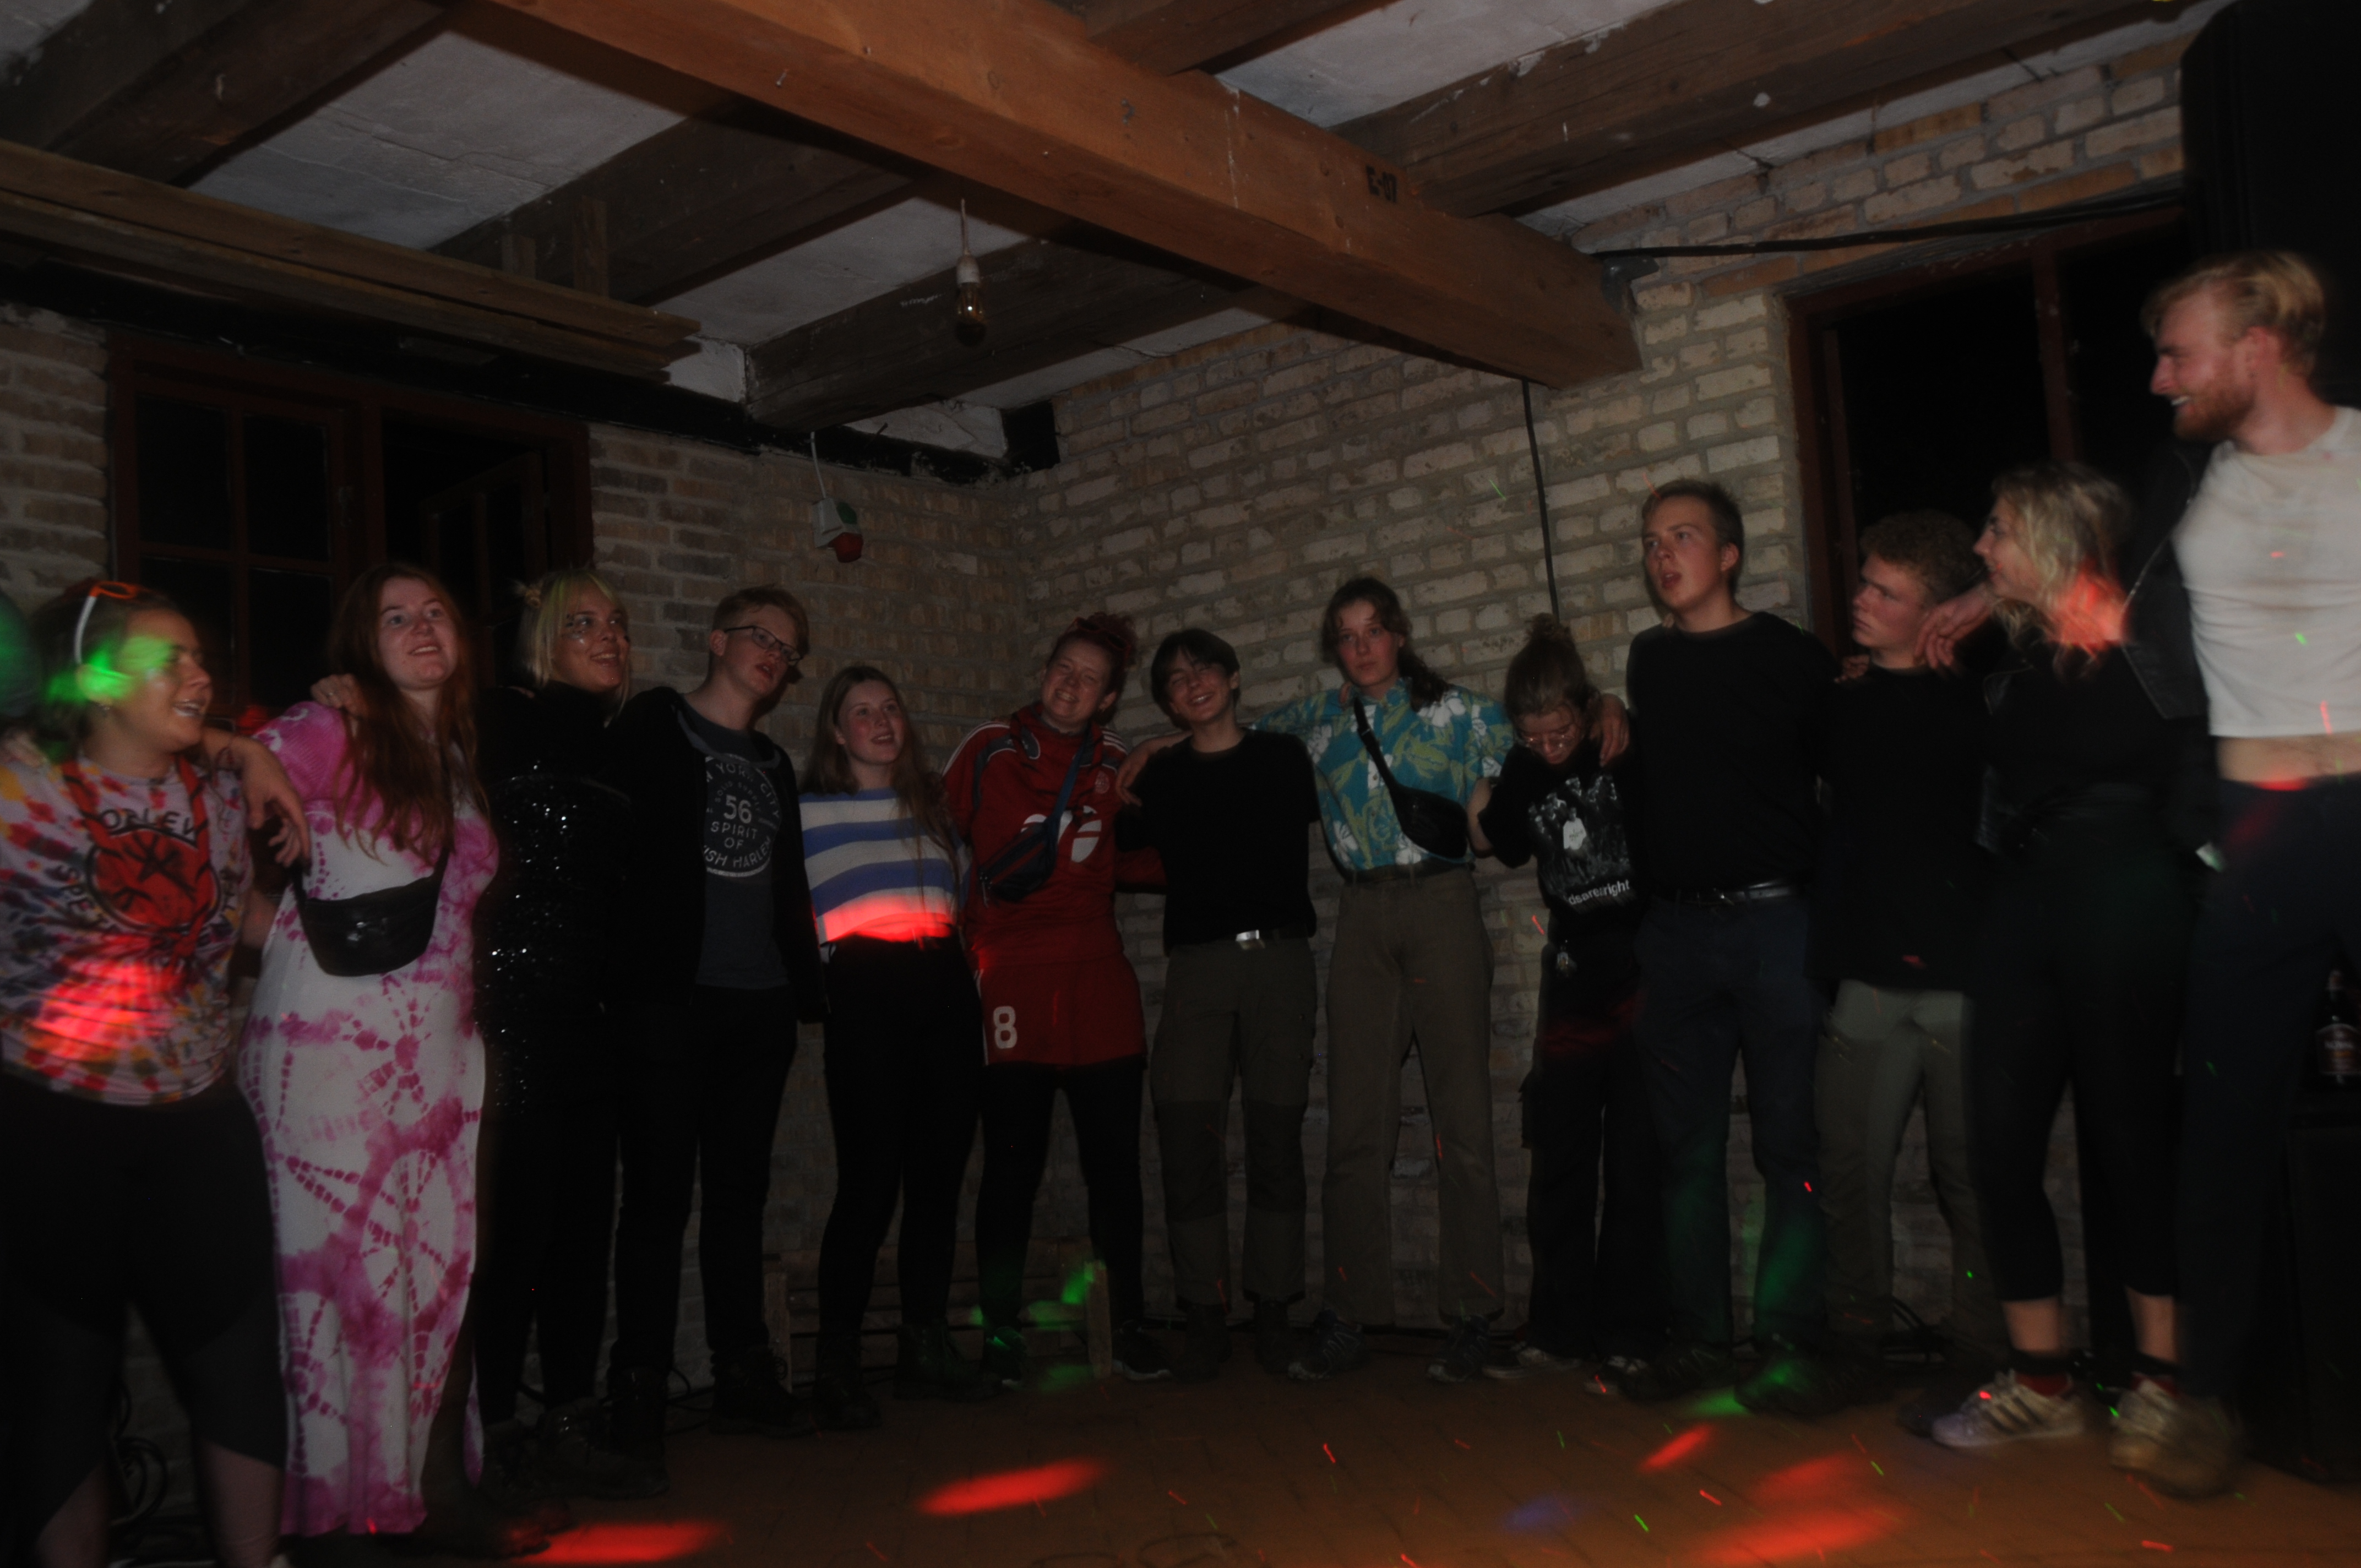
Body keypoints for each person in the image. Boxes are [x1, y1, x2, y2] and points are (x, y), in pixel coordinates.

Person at [2, 582, 298, 1568]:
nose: (199, 675)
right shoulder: (18, 786)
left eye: (199, 657)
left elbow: (237, 922)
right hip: (54, 1131)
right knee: (61, 1391)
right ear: (96, 681)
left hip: (199, 1131)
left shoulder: (217, 797)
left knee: (240, 1371)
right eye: (168, 661)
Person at [1924, 464, 2206, 1463]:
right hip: (2024, 902)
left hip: (2125, 894)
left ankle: (2162, 1384)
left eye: (1998, 529)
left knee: (2129, 1143)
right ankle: (2044, 1382)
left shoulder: (2158, 642)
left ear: (2052, 536)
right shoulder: (2013, 669)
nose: (1982, 548)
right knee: (1997, 1147)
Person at [2144, 253, 2361, 1494]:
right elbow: (2094, 575)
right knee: (2221, 1123)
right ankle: (2206, 1398)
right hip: (2258, 831)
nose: (2158, 376)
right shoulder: (2185, 479)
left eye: (2178, 352)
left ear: (2258, 346)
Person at [239, 564, 512, 1551]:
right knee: (342, 1288)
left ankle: (413, 1499)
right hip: (331, 1058)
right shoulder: (330, 729)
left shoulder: (453, 753)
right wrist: (266, 931)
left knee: (428, 1283)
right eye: (396, 618)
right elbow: (217, 793)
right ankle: (335, 1527)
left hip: (434, 1062)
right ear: (363, 644)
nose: (422, 627)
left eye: (437, 612)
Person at [1619, 480, 1852, 1415]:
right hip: (1676, 934)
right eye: (1650, 541)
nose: (1662, 554)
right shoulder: (1648, 660)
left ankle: (1790, 1343)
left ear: (1729, 555)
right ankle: (1700, 1343)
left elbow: (1848, 777)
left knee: (1790, 1144)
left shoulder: (1792, 658)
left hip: (1775, 928)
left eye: (1681, 536)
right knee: (1687, 1151)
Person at [1250, 576, 1514, 1385]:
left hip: (1443, 903)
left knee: (1462, 1122)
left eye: (1374, 630)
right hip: (1363, 912)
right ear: (1335, 648)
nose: (1362, 647)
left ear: (1399, 634)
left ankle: (1473, 1315)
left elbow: (1544, 748)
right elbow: (1237, 736)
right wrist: (1155, 746)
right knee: (1355, 1125)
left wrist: (1603, 709)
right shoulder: (1320, 722)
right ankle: (1350, 1311)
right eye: (1346, 635)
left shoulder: (1464, 712)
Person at [599, 586, 826, 1468]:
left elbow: (788, 882)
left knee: (739, 1197)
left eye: (789, 648)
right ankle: (638, 1391)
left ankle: (741, 1373)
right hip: (669, 1002)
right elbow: (615, 856)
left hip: (758, 1006)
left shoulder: (772, 762)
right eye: (761, 636)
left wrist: (804, 986)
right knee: (657, 1201)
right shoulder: (655, 727)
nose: (774, 654)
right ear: (716, 640)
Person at [1813, 513, 2008, 1424]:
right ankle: (1855, 1348)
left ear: (1935, 613)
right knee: (1849, 1173)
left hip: (1967, 983)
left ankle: (1982, 1353)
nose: (1861, 598)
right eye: (1864, 581)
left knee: (1972, 1182)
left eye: (1884, 591)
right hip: (1867, 977)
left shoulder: (1986, 706)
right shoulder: (1838, 703)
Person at [466, 571, 657, 1500]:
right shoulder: (499, 718)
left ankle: (571, 1421)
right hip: (507, 1011)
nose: (607, 636)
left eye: (616, 623)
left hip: (593, 1017)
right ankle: (493, 1432)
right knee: (514, 1233)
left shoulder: (621, 749)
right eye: (583, 623)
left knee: (585, 1228)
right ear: (543, 639)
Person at [945, 614, 1171, 1386]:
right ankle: (1002, 1335)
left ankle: (1129, 1324)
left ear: (1108, 699)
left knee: (1115, 1167)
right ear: (1044, 672)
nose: (1070, 685)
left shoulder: (1118, 763)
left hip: (1099, 976)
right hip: (1011, 975)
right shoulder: (989, 749)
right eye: (1062, 669)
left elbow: (1146, 859)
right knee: (1012, 1165)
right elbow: (935, 837)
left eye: (1089, 679)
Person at [1122, 629, 1321, 1382]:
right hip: (1197, 970)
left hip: (1280, 964)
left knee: (1275, 1140)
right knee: (1185, 1141)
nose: (1193, 682)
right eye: (1176, 679)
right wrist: (1150, 752)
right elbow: (1118, 844)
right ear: (1169, 704)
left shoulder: (1282, 757)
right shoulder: (1160, 777)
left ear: (1234, 677)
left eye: (1205, 668)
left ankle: (1273, 1311)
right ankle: (1204, 1314)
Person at [801, 664, 995, 1428]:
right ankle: (837, 1365)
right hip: (865, 995)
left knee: (938, 1182)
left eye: (890, 708)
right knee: (869, 1184)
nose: (881, 722)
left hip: (943, 990)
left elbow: (965, 903)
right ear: (836, 730)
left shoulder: (933, 811)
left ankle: (925, 1348)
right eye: (862, 711)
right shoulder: (807, 812)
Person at [1472, 615, 1663, 1385]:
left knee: (1638, 1155)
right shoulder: (1525, 766)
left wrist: (1616, 707)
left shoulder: (1620, 739)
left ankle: (1632, 1333)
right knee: (1561, 1153)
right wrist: (1486, 777)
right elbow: (1495, 839)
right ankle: (1558, 1330)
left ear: (1584, 711)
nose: (1549, 749)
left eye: (1559, 734)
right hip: (1576, 972)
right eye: (1533, 738)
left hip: (1644, 965)